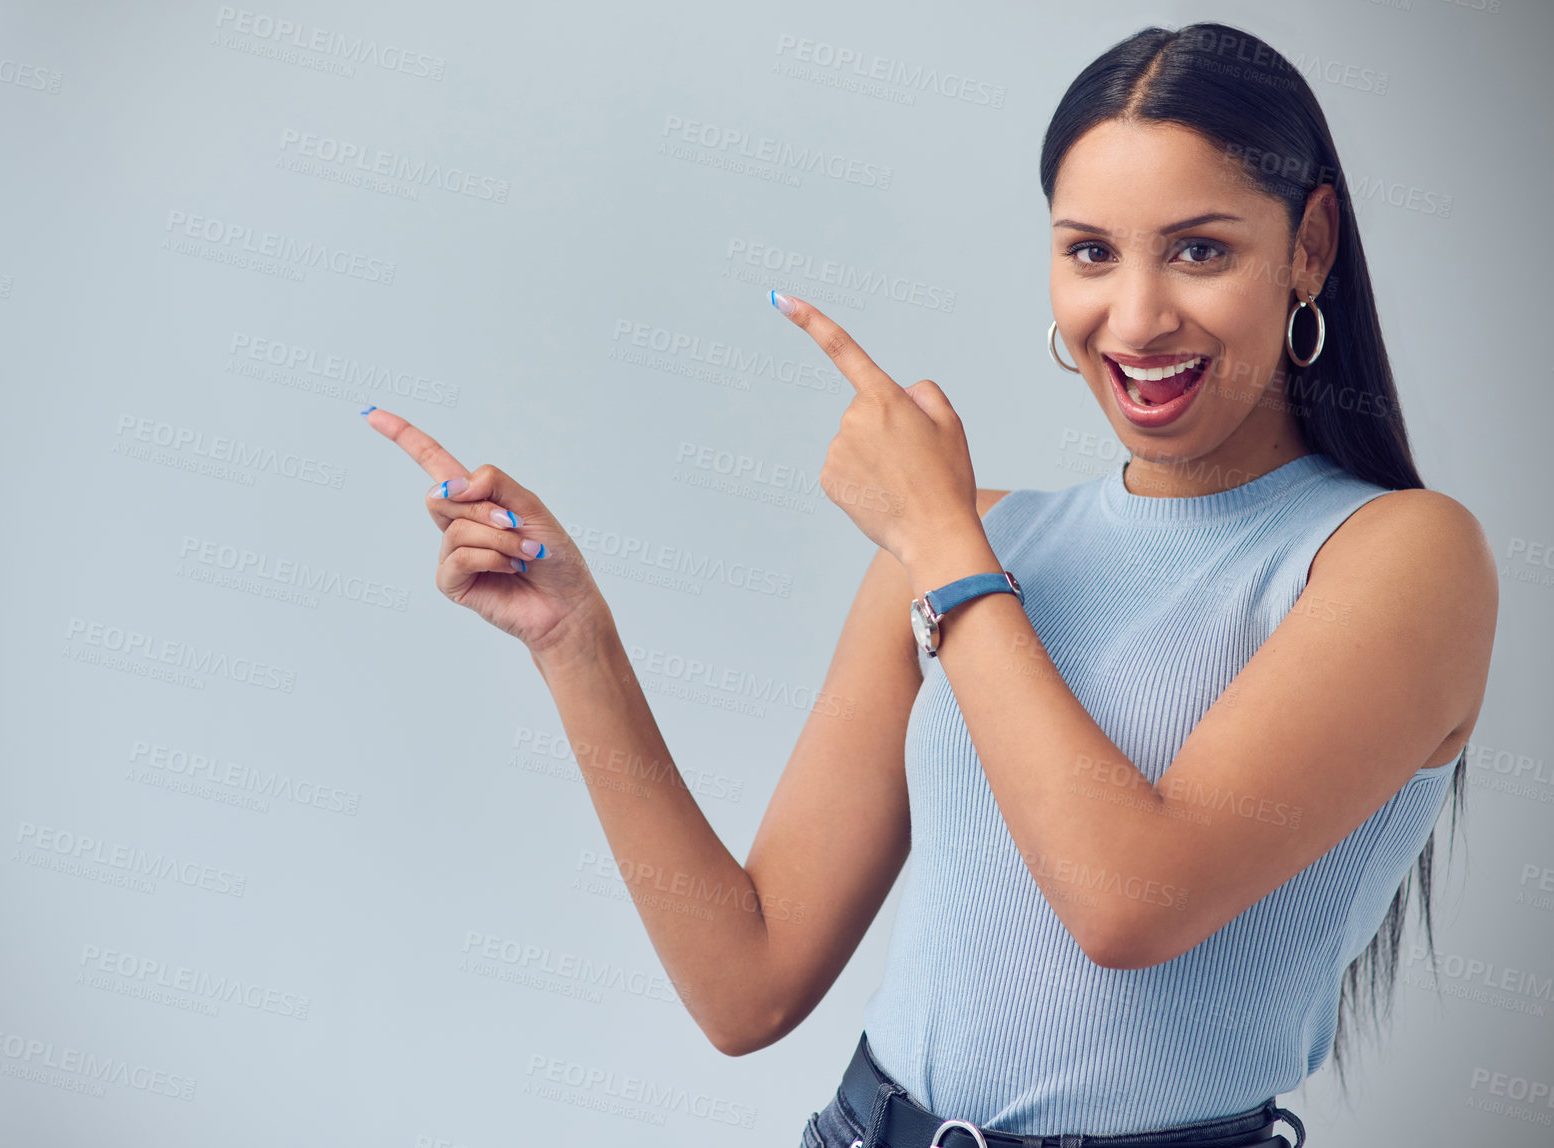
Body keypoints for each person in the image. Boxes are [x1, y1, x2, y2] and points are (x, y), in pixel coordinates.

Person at [361, 20, 1496, 1148]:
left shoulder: (1403, 555)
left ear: (1309, 245)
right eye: (1091, 251)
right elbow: (745, 981)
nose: (1138, 317)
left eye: (1200, 250)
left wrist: (942, 543)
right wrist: (576, 641)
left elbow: (1130, 902)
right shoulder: (984, 542)